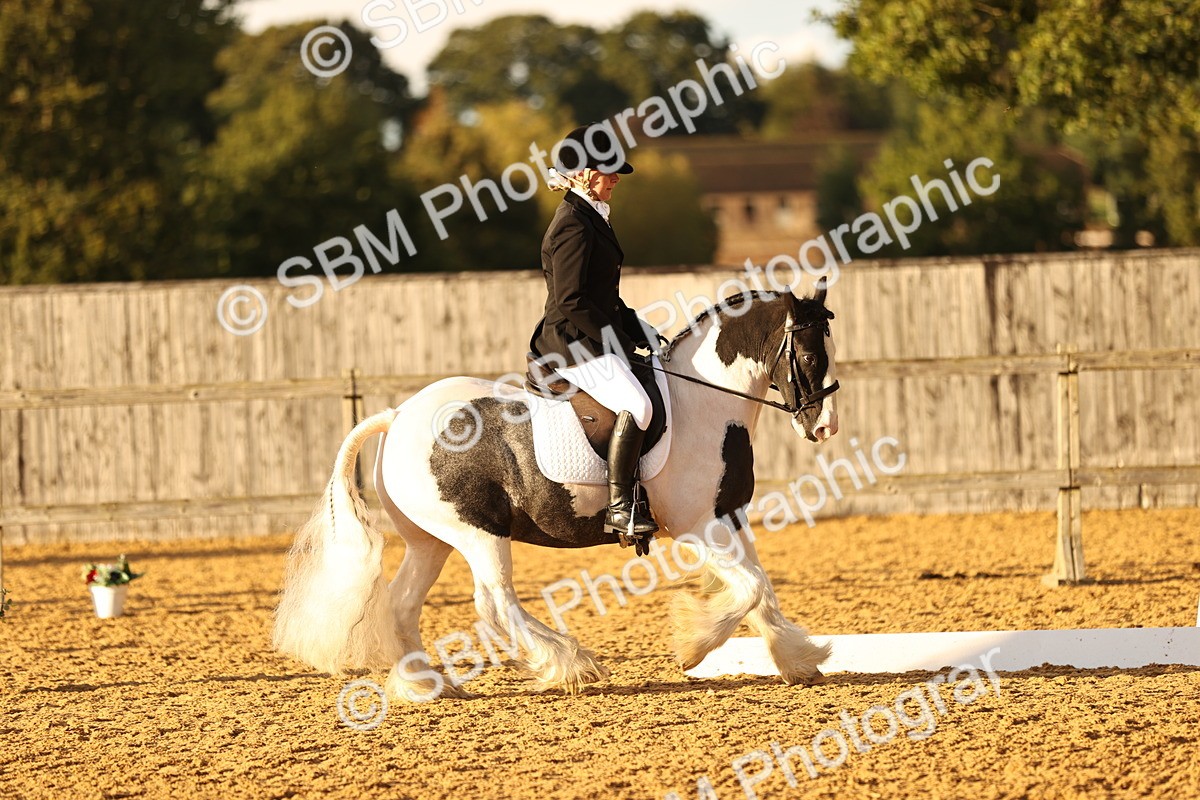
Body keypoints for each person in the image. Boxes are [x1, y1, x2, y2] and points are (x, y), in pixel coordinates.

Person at [528, 123, 660, 541]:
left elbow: (603, 296)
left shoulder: (590, 216)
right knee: (638, 406)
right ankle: (621, 507)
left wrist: (637, 327)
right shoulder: (573, 223)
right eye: (608, 170)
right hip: (571, 345)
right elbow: (571, 300)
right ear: (585, 174)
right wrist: (618, 341)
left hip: (589, 338)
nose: (616, 178)